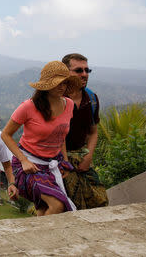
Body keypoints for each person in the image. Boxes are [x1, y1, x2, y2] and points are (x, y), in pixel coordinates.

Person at [1, 61, 82, 216]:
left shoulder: (69, 105)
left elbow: (61, 135)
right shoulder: (28, 107)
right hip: (28, 165)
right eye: (57, 83)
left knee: (45, 208)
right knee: (57, 205)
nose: (62, 87)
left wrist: (64, 161)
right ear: (46, 85)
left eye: (65, 83)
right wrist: (24, 160)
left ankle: (40, 238)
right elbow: (5, 134)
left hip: (52, 163)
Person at [62, 53, 108, 209]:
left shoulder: (91, 99)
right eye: (78, 70)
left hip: (81, 157)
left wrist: (88, 157)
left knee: (99, 200)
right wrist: (64, 162)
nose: (84, 74)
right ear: (65, 72)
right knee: (71, 206)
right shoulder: (56, 98)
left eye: (87, 70)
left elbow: (93, 132)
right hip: (58, 161)